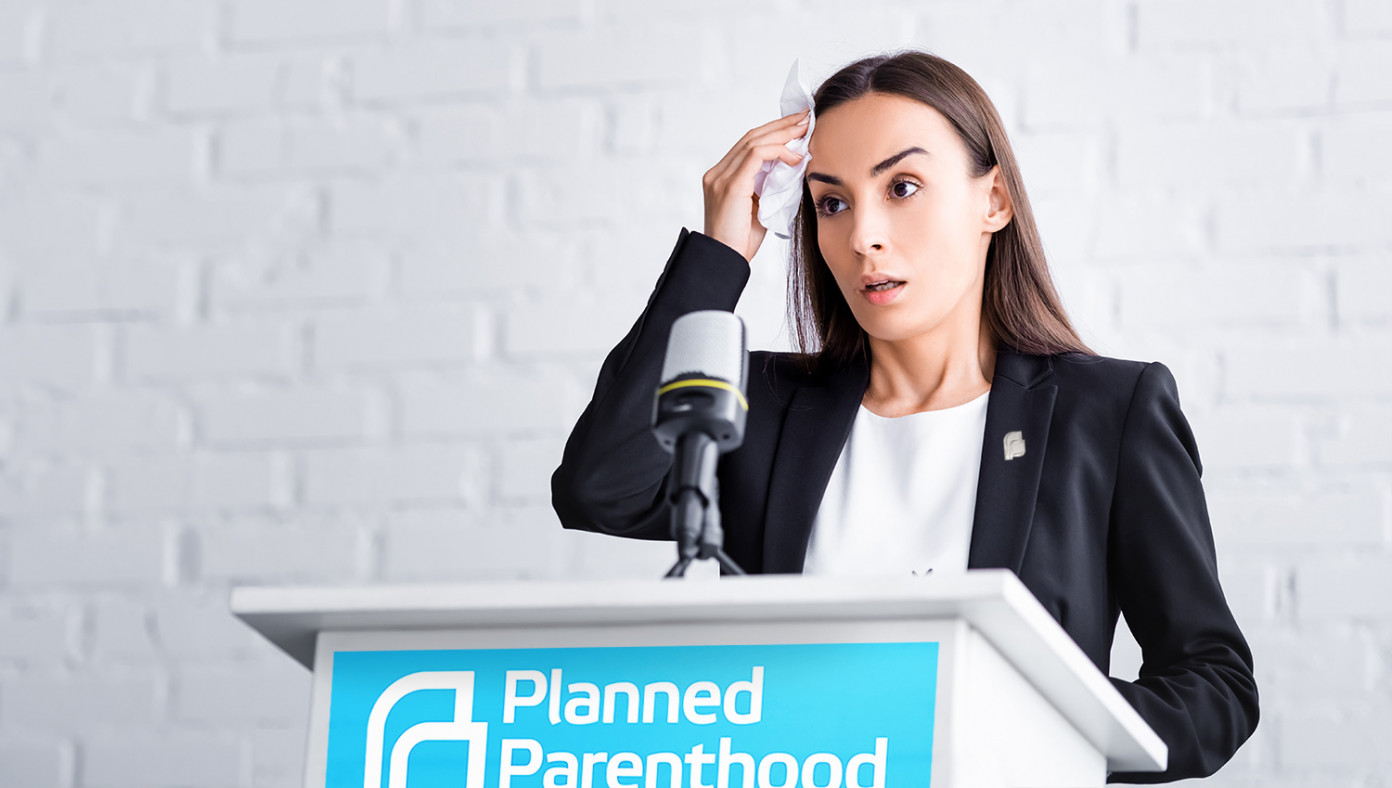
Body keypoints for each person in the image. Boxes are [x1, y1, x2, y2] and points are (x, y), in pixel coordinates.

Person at [550, 50, 1258, 783]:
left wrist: (1031, 720)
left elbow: (1214, 689)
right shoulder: (758, 403)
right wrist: (717, 256)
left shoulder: (1106, 413)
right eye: (832, 203)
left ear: (994, 201)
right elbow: (599, 489)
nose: (863, 236)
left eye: (903, 187)